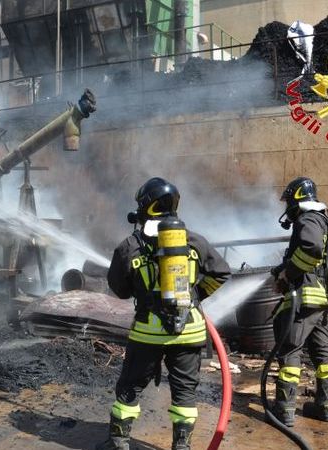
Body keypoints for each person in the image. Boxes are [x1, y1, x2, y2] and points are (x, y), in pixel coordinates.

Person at [98, 177, 231, 450]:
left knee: (130, 387)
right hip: (189, 331)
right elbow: (221, 272)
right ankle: (181, 446)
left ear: (146, 206)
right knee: (184, 392)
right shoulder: (194, 240)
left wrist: (144, 290)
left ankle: (118, 442)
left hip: (148, 333)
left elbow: (119, 290)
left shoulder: (131, 245)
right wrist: (194, 296)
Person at [269, 176, 328, 426]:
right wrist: (281, 269)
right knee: (322, 352)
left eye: (288, 201)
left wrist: (288, 274)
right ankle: (326, 406)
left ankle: (284, 410)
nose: (287, 207)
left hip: (304, 296)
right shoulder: (322, 219)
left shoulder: (307, 218)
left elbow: (311, 248)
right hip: (321, 298)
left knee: (290, 349)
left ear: (297, 198)